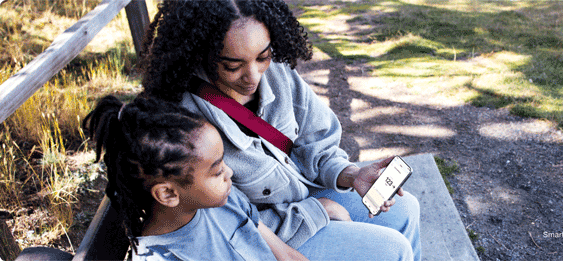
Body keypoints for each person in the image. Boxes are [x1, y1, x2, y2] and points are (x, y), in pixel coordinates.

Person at [140, 1, 420, 260]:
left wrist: (353, 174)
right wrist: (316, 211)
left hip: (305, 198)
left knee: (407, 211)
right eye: (232, 65)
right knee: (391, 251)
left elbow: (317, 143)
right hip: (267, 235)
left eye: (263, 56)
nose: (253, 77)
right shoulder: (185, 123)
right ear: (200, 52)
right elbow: (225, 221)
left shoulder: (278, 73)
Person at [82, 95, 309, 260]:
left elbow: (285, 255)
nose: (229, 173)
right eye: (217, 170)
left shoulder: (223, 200)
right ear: (168, 193)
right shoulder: (164, 257)